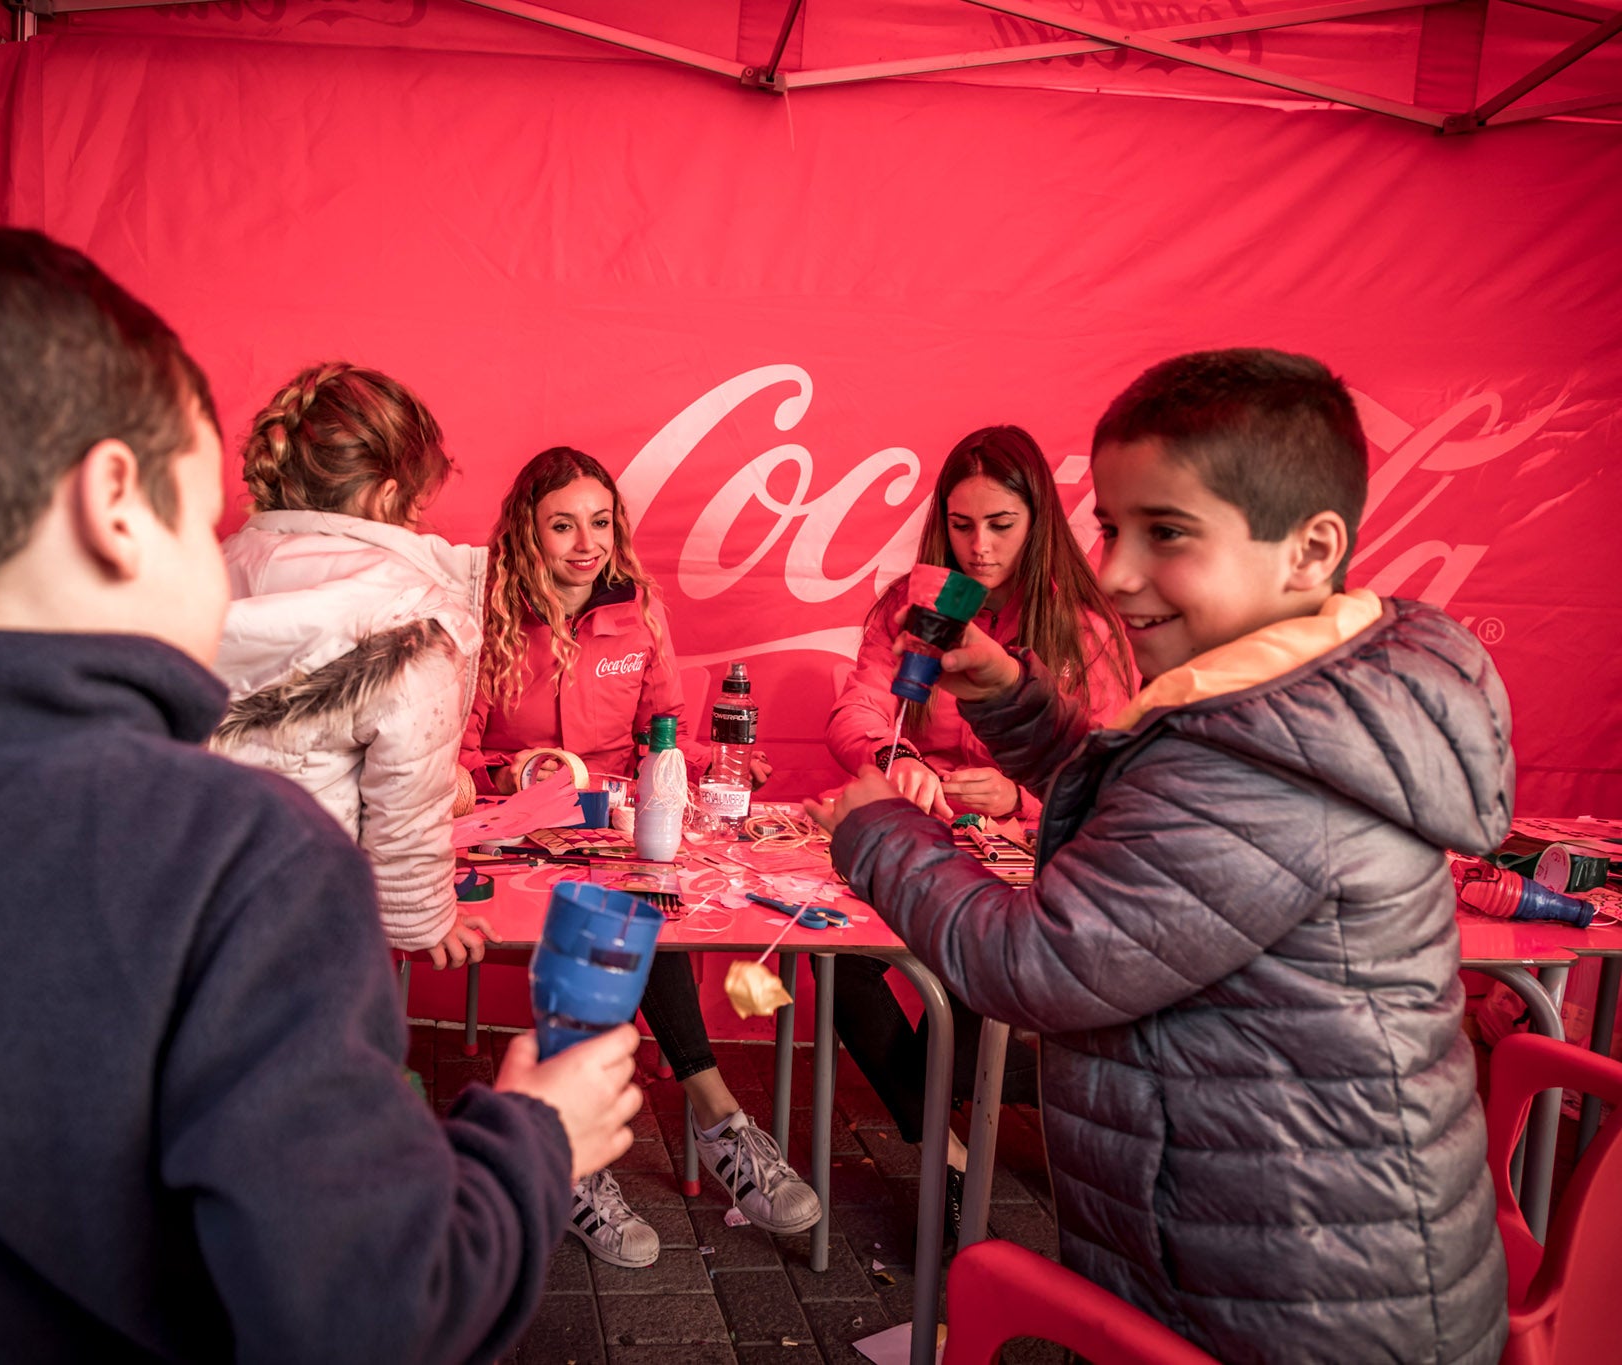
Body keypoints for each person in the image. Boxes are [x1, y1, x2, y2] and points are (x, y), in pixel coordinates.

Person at [0, 227, 643, 1364]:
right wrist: (533, 1143)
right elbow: (371, 1313)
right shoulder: (247, 858)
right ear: (116, 501)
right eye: (197, 496)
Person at [809, 349, 1510, 1363]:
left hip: (1297, 1301)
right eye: (1111, 528)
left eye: (1166, 535)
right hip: (1265, 1251)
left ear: (1310, 549)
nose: (1116, 571)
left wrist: (876, 832)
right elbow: (1138, 810)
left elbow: (1040, 962)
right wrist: (1009, 695)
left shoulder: (1266, 763)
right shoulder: (1284, 702)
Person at [462, 446, 817, 1269]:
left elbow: (663, 732)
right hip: (515, 833)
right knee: (623, 914)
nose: (586, 543)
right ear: (528, 530)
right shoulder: (484, 613)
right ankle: (712, 1119)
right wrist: (516, 770)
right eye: (562, 525)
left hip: (614, 833)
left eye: (599, 521)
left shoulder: (639, 610)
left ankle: (586, 1156)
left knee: (632, 903)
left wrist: (709, 763)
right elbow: (458, 751)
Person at [823, 427, 1136, 1188]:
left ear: (1040, 523)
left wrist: (1019, 795)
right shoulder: (911, 605)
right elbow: (857, 713)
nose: (980, 548)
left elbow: (1112, 771)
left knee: (967, 999)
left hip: (1021, 867)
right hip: (915, 839)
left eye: (1001, 525)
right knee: (831, 957)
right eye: (962, 526)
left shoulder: (1082, 624)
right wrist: (896, 757)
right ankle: (944, 1151)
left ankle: (1027, 1101)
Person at [211, 361, 494, 970]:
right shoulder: (410, 614)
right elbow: (409, 797)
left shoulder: (208, 568)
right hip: (307, 916)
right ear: (387, 496)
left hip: (183, 895)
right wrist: (423, 916)